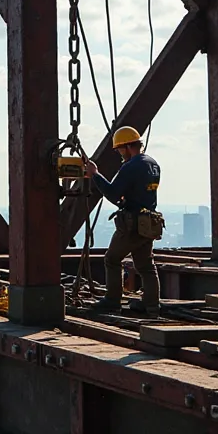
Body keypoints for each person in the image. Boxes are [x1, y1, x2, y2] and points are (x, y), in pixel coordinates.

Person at [84, 126, 163, 314]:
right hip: (148, 222)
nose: (120, 154)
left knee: (112, 259)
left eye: (120, 149)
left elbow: (113, 193)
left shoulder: (132, 166)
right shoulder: (152, 163)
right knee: (145, 265)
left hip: (132, 223)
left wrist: (95, 174)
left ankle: (112, 300)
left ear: (128, 146)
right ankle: (152, 305)